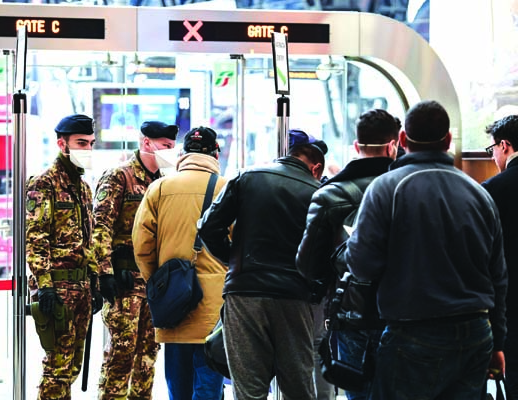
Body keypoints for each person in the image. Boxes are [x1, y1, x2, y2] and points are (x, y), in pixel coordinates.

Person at [345, 100, 507, 400]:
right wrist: (497, 342)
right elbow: (498, 276)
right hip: (475, 333)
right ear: (447, 141)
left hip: (412, 333)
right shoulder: (479, 194)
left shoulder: (385, 189)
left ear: (403, 139)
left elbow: (361, 266)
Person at [197, 129, 327, 400]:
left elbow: (209, 227)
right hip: (294, 297)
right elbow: (327, 253)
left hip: (244, 294)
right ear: (315, 168)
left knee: (249, 389)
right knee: (298, 388)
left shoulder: (247, 177)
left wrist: (234, 260)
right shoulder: (319, 192)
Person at [296, 109, 400, 400]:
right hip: (402, 314)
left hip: (350, 313)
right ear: (394, 144)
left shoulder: (330, 195)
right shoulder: (412, 189)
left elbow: (307, 264)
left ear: (357, 146)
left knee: (357, 391)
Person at [132, 126, 228, 400]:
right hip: (214, 311)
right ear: (215, 153)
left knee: (178, 388)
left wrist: (160, 282)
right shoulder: (227, 188)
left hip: (173, 306)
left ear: (183, 154)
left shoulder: (159, 188)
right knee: (209, 389)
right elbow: (240, 246)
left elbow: (142, 246)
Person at [93, 120, 177, 400]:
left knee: (148, 357)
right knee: (121, 353)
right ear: (146, 143)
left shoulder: (165, 182)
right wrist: (104, 272)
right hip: (124, 281)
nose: (169, 151)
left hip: (153, 283)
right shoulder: (120, 176)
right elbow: (100, 225)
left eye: (172, 146)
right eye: (165, 146)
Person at [25, 114, 103, 400]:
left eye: (91, 143)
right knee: (57, 368)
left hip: (81, 287)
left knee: (72, 367)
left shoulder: (82, 187)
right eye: (81, 143)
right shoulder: (43, 183)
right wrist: (44, 285)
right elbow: (35, 238)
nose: (87, 149)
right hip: (57, 289)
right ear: (62, 144)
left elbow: (88, 238)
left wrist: (95, 281)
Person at [482, 114, 518, 398]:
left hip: (510, 302)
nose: (492, 155)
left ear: (504, 145)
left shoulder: (491, 191)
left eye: (491, 148)